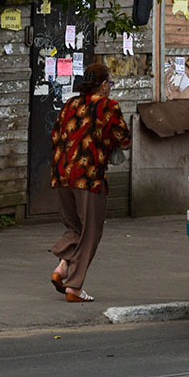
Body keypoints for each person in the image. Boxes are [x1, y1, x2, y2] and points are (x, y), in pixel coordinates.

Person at [48, 63, 131, 303]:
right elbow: (123, 138)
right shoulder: (108, 106)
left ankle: (62, 267)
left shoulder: (70, 104)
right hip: (88, 177)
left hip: (61, 174)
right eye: (110, 84)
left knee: (75, 228)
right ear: (104, 85)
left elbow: (54, 135)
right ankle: (74, 287)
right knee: (91, 231)